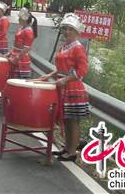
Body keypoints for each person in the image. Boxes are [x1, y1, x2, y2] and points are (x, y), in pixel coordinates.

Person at [35, 13, 89, 162]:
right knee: (65, 120)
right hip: (62, 86)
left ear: (77, 31)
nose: (66, 32)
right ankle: (67, 148)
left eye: (70, 29)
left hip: (72, 88)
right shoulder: (64, 47)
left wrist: (65, 80)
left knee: (72, 121)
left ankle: (72, 152)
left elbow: (82, 70)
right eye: (64, 29)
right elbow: (60, 68)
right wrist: (49, 75)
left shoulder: (78, 48)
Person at [7, 7, 35, 78]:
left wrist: (17, 58)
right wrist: (11, 53)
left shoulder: (28, 31)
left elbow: (27, 48)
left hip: (21, 58)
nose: (18, 19)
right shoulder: (21, 28)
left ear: (24, 19)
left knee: (18, 78)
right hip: (15, 54)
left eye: (20, 18)